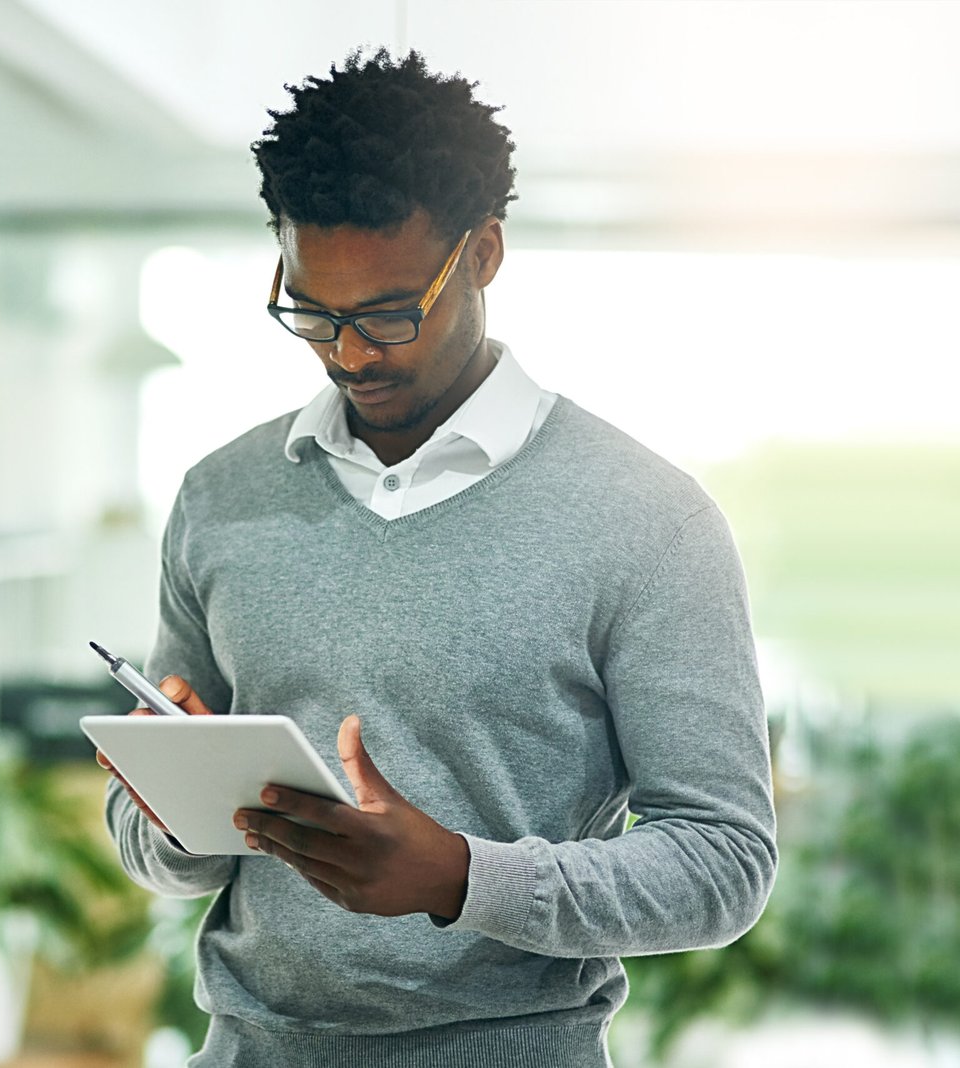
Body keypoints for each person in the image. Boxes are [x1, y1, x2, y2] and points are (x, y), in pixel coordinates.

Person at [98, 49, 777, 1067]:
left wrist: (461, 877)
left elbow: (724, 864)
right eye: (312, 311)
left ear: (485, 253)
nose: (349, 353)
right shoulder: (219, 499)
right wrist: (183, 811)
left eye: (386, 314)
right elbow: (155, 847)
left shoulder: (647, 520)